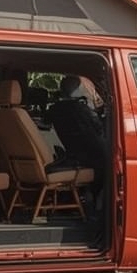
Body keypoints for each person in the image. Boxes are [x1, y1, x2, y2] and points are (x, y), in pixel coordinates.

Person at [47, 75, 110, 218]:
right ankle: (98, 203)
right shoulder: (81, 110)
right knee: (110, 164)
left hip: (73, 154)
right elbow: (99, 128)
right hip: (92, 155)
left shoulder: (55, 109)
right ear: (78, 91)